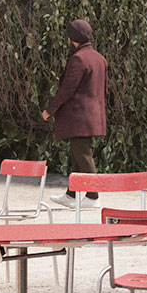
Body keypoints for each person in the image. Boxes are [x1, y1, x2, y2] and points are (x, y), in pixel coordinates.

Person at [39, 18, 106, 175]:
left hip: (79, 117)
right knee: (78, 155)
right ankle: (72, 194)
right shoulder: (99, 58)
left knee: (83, 156)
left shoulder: (78, 59)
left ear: (71, 38)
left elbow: (66, 90)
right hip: (94, 116)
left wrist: (50, 110)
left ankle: (93, 195)